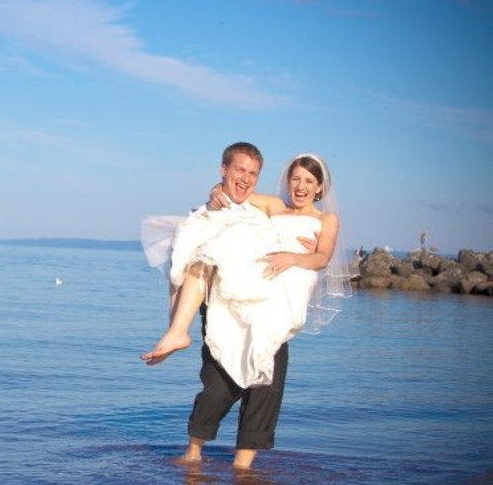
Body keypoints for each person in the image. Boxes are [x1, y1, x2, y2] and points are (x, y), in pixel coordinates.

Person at [140, 143, 351, 469]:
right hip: (251, 282)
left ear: (320, 187)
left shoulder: (327, 219)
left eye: (309, 181)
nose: (301, 186)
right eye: (296, 178)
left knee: (265, 381)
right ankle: (193, 453)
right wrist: (215, 189)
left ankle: (242, 467)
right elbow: (232, 195)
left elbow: (322, 257)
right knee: (218, 382)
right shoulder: (274, 206)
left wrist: (294, 256)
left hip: (282, 292)